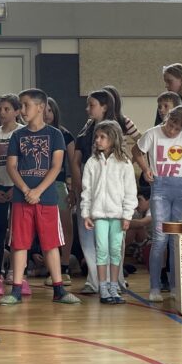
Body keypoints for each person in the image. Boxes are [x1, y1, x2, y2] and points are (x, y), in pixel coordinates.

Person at [0, 88, 80, 306]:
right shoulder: (18, 135)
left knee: (51, 244)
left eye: (26, 105)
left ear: (41, 107)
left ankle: (59, 289)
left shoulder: (55, 135)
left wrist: (38, 191)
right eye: (21, 106)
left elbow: (56, 166)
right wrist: (26, 190)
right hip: (21, 198)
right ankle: (16, 290)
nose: (22, 110)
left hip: (47, 199)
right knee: (19, 243)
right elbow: (11, 166)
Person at [133, 106, 182, 302]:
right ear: (167, 118)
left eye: (177, 129)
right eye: (170, 125)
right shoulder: (153, 133)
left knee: (176, 238)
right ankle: (155, 286)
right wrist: (145, 169)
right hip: (160, 187)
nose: (172, 131)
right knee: (160, 238)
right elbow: (136, 150)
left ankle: (175, 285)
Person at [80, 120, 137, 305]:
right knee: (102, 251)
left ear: (113, 139)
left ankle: (114, 286)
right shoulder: (92, 163)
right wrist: (86, 213)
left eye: (102, 137)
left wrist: (127, 215)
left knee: (115, 251)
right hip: (99, 216)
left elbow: (130, 191)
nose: (98, 140)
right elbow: (87, 190)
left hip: (118, 216)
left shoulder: (124, 163)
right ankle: (103, 287)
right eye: (96, 137)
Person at [71, 89, 116, 294]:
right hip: (88, 189)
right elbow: (76, 161)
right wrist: (78, 187)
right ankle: (94, 278)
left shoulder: (115, 128)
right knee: (87, 235)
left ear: (105, 107)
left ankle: (114, 280)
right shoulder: (86, 129)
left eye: (92, 105)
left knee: (110, 237)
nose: (87, 109)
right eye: (88, 105)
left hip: (110, 192)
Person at [0, 93, 23, 297]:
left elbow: (24, 164)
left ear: (17, 111)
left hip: (17, 188)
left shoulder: (23, 132)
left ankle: (16, 272)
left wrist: (16, 188)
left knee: (18, 232)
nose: (2, 112)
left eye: (7, 109)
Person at [45, 96, 76, 285]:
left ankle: (64, 266)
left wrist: (73, 189)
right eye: (44, 110)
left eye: (50, 110)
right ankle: (52, 268)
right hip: (41, 186)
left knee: (66, 226)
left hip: (59, 184)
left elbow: (73, 164)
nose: (47, 114)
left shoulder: (65, 135)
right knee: (48, 228)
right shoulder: (37, 134)